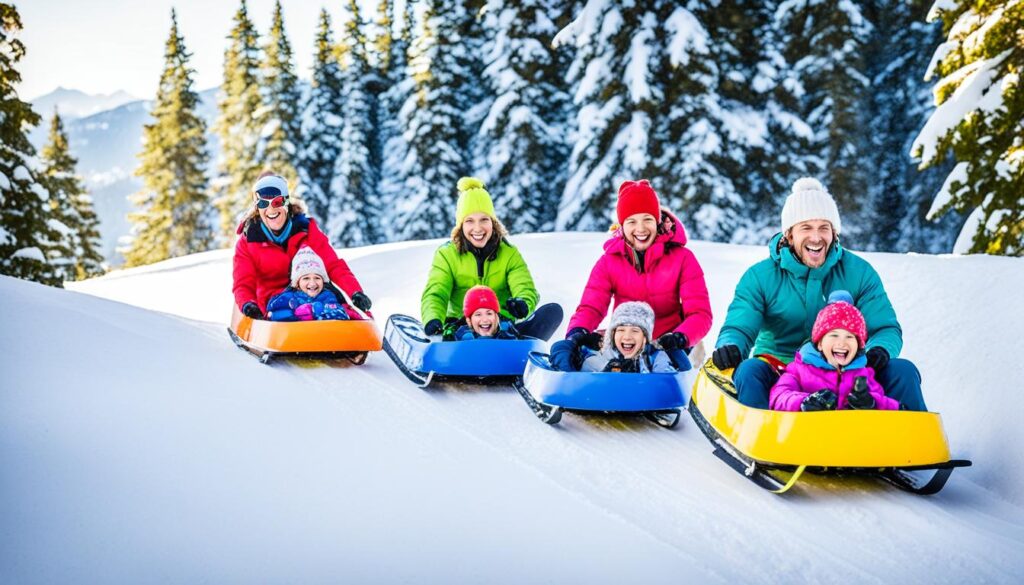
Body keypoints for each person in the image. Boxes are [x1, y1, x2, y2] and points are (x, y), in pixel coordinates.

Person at [712, 177, 928, 411]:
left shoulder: (859, 273)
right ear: (789, 235)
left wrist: (879, 350)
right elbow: (740, 326)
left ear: (834, 233)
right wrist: (730, 345)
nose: (816, 237)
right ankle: (757, 438)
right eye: (806, 227)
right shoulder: (760, 277)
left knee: (902, 370)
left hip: (845, 368)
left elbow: (884, 327)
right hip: (781, 367)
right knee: (749, 371)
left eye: (823, 228)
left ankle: (915, 439)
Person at [557, 179, 712, 369]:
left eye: (647, 219)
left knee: (662, 365)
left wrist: (681, 337)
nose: (640, 229)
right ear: (622, 225)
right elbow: (591, 307)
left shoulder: (683, 258)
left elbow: (700, 313)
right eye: (632, 221)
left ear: (657, 220)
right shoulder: (609, 261)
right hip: (627, 340)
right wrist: (576, 334)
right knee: (588, 357)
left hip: (668, 343)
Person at [420, 177, 562, 340]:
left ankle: (517, 345)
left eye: (484, 220)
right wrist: (433, 319)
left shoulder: (509, 254)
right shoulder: (447, 255)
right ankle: (453, 349)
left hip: (500, 326)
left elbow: (524, 287)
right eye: (469, 221)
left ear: (493, 223)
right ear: (461, 226)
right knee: (458, 333)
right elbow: (436, 292)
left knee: (551, 312)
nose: (477, 228)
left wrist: (523, 303)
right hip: (460, 326)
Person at [232, 172, 372, 319]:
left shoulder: (306, 230)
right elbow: (243, 283)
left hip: (313, 294)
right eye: (263, 203)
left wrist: (355, 292)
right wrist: (248, 305)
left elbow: (333, 265)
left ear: (286, 202)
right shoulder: (248, 241)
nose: (271, 209)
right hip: (273, 305)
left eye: (277, 202)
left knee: (341, 309)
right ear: (257, 207)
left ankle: (365, 331)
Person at [769, 291, 901, 411]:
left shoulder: (862, 373)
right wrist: (805, 402)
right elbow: (779, 396)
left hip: (851, 435)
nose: (842, 343)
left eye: (849, 337)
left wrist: (872, 403)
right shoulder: (799, 370)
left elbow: (881, 400)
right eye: (834, 335)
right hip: (809, 434)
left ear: (858, 346)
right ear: (820, 343)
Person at [550, 301, 688, 373]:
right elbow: (564, 354)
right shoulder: (602, 349)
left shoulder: (653, 356)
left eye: (635, 331)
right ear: (613, 333)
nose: (627, 337)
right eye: (621, 330)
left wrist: (673, 351)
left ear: (645, 337)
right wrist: (573, 343)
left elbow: (670, 376)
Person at [265, 247, 352, 322]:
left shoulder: (328, 296)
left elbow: (341, 314)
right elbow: (273, 314)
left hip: (323, 337)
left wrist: (317, 310)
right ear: (297, 283)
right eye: (306, 278)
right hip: (295, 338)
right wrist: (295, 315)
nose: (312, 283)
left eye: (317, 278)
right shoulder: (288, 298)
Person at [453, 285, 518, 340]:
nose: (485, 319)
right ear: (469, 321)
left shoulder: (511, 336)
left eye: (489, 313)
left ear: (497, 317)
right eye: (478, 314)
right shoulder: (458, 339)